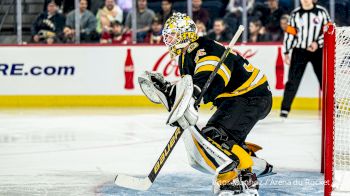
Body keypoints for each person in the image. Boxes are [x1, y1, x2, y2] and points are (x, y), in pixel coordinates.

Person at [153, 12, 272, 195]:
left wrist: (194, 94)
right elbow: (192, 87)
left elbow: (213, 79)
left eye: (173, 34)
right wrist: (175, 95)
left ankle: (239, 181)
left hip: (251, 95)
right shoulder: (185, 56)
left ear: (185, 34)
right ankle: (248, 166)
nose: (168, 39)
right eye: (167, 35)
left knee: (215, 137)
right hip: (240, 98)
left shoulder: (204, 48)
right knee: (217, 137)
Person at [280, 0, 331, 118]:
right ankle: (285, 109)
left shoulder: (321, 12)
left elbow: (328, 31)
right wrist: (287, 51)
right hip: (300, 51)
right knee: (292, 80)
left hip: (317, 52)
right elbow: (290, 34)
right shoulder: (295, 14)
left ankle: (334, 108)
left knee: (325, 80)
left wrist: (318, 43)